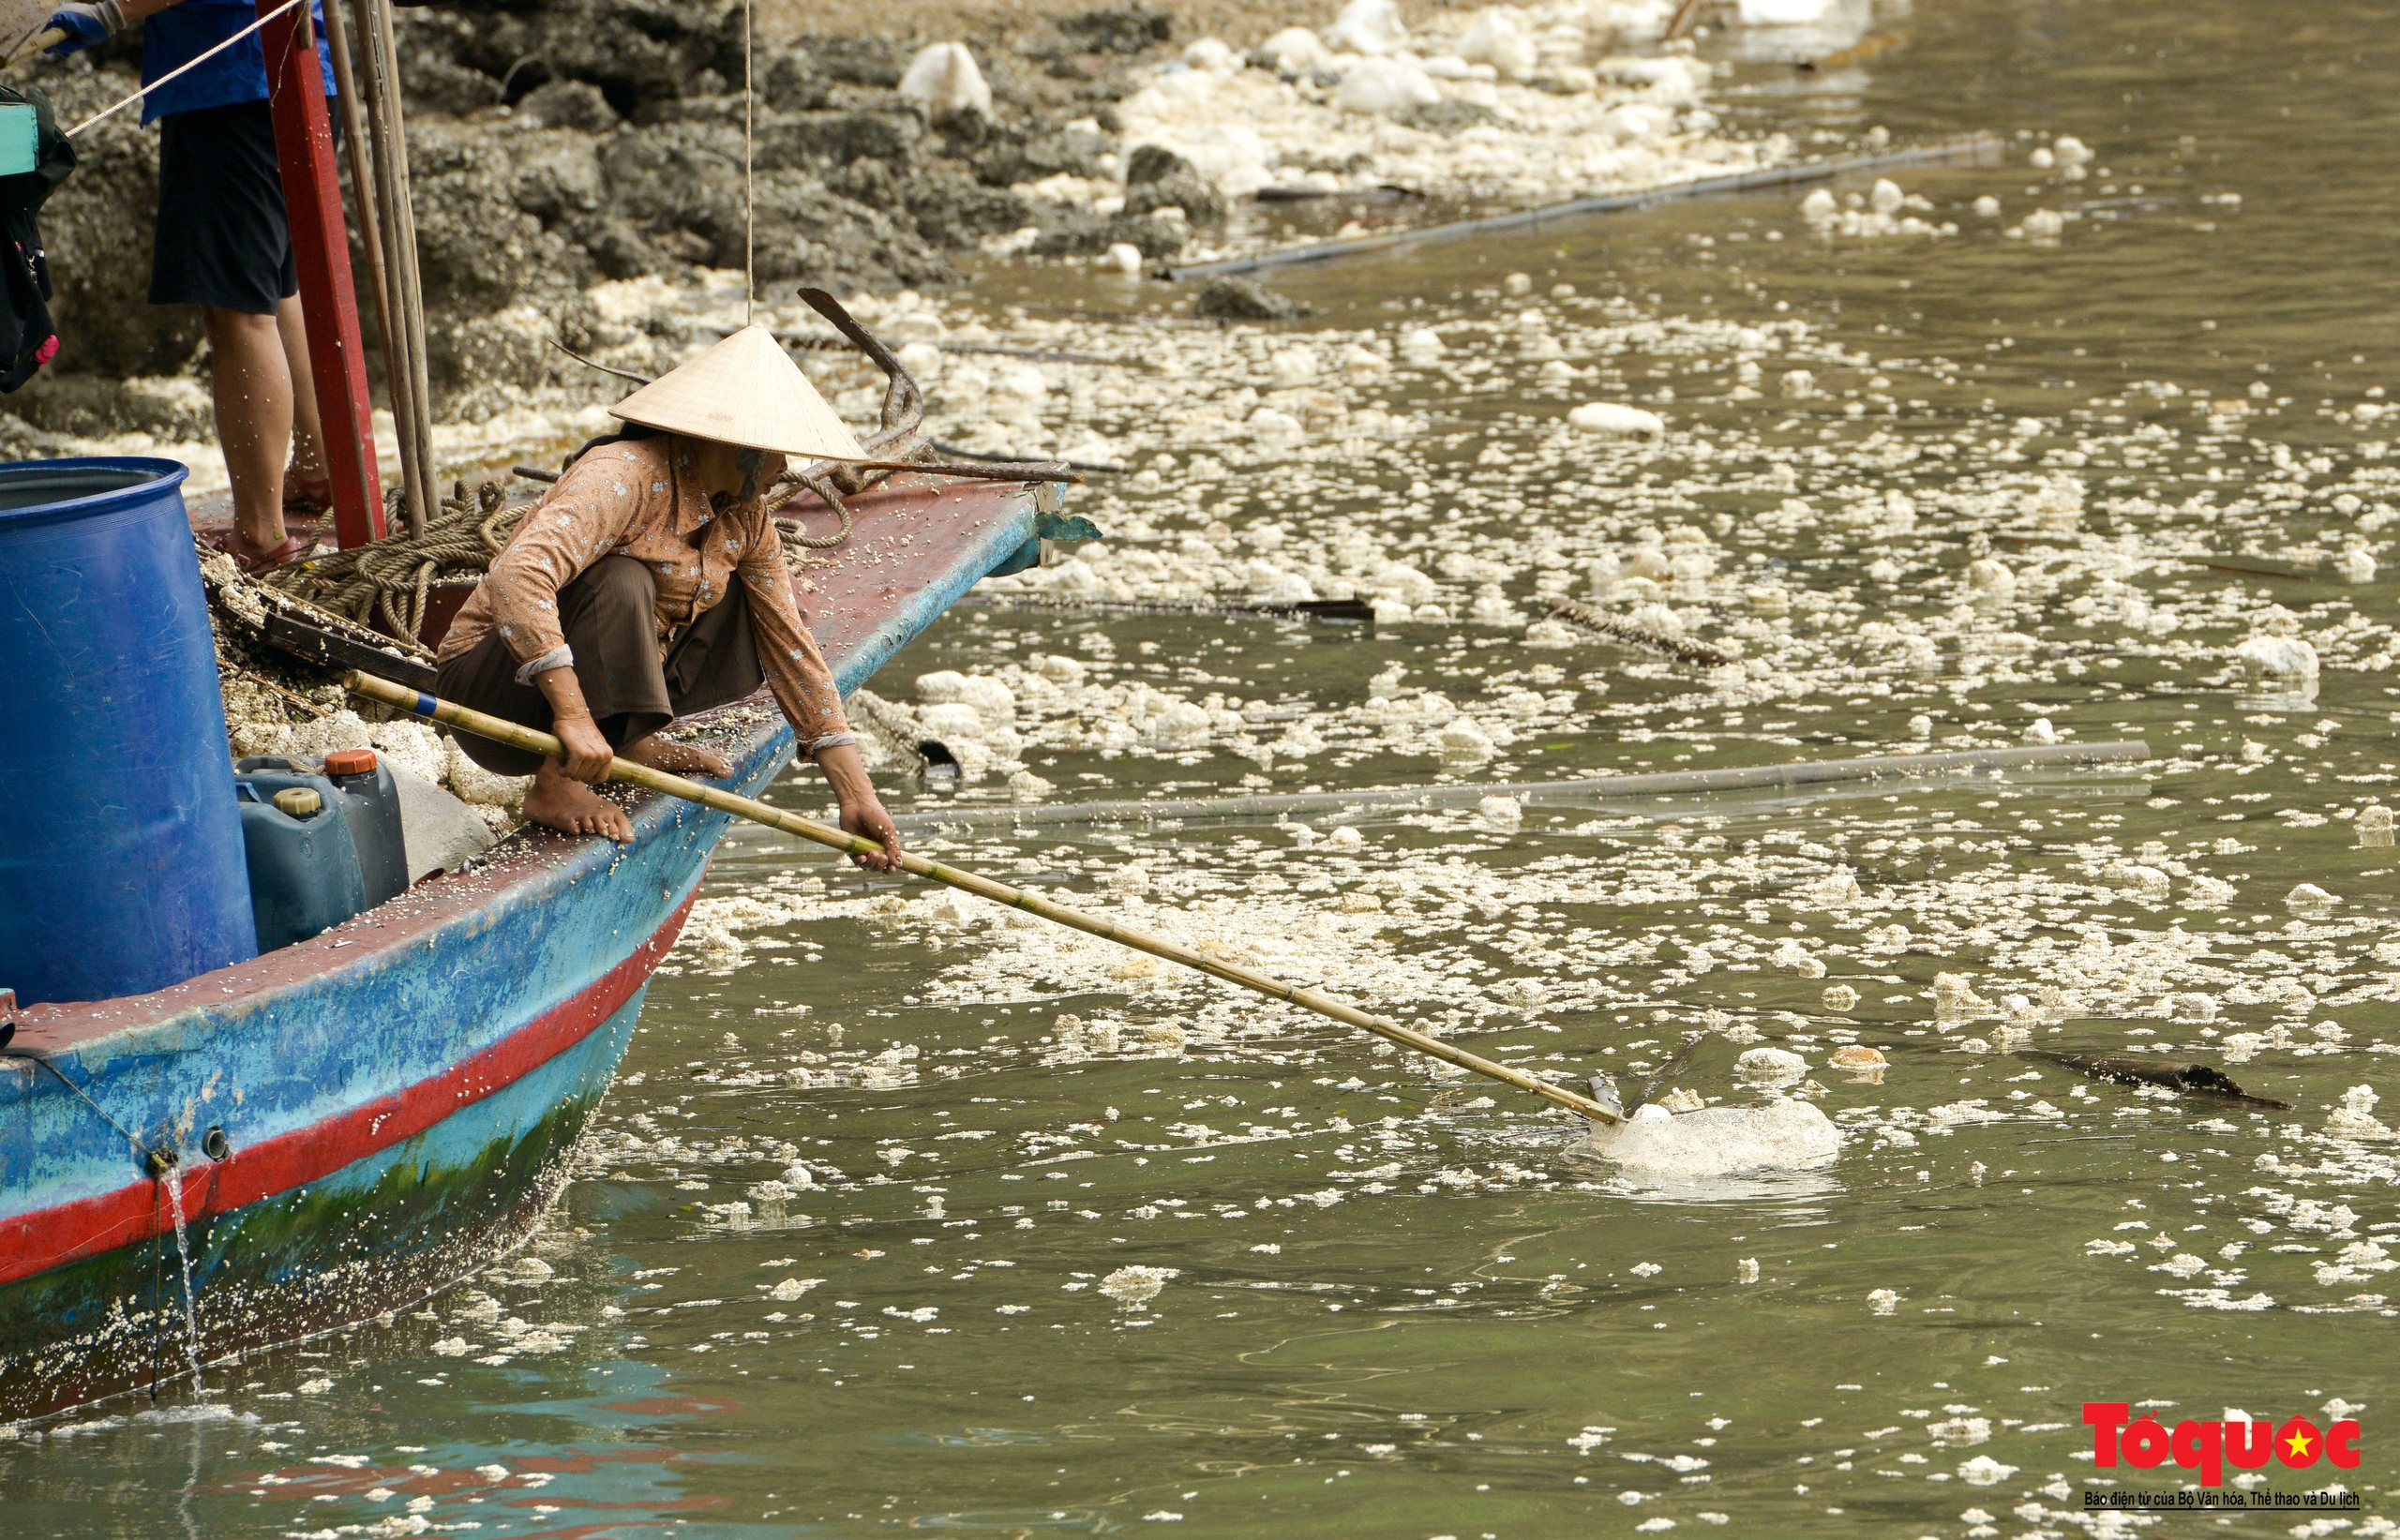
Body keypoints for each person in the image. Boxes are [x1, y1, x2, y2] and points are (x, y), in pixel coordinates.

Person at [433, 324, 904, 868]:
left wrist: (856, 795)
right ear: (738, 447)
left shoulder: (746, 520)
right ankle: (556, 781)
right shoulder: (624, 475)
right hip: (494, 697)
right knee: (622, 580)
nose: (783, 472)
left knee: (752, 605)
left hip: (588, 705)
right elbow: (517, 575)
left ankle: (631, 736)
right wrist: (575, 718)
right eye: (776, 455)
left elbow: (791, 649)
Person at [46, 0, 337, 570]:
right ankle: (318, 470)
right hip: (291, 68)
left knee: (237, 308)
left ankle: (260, 534)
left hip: (234, 82)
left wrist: (111, 12)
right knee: (275, 287)